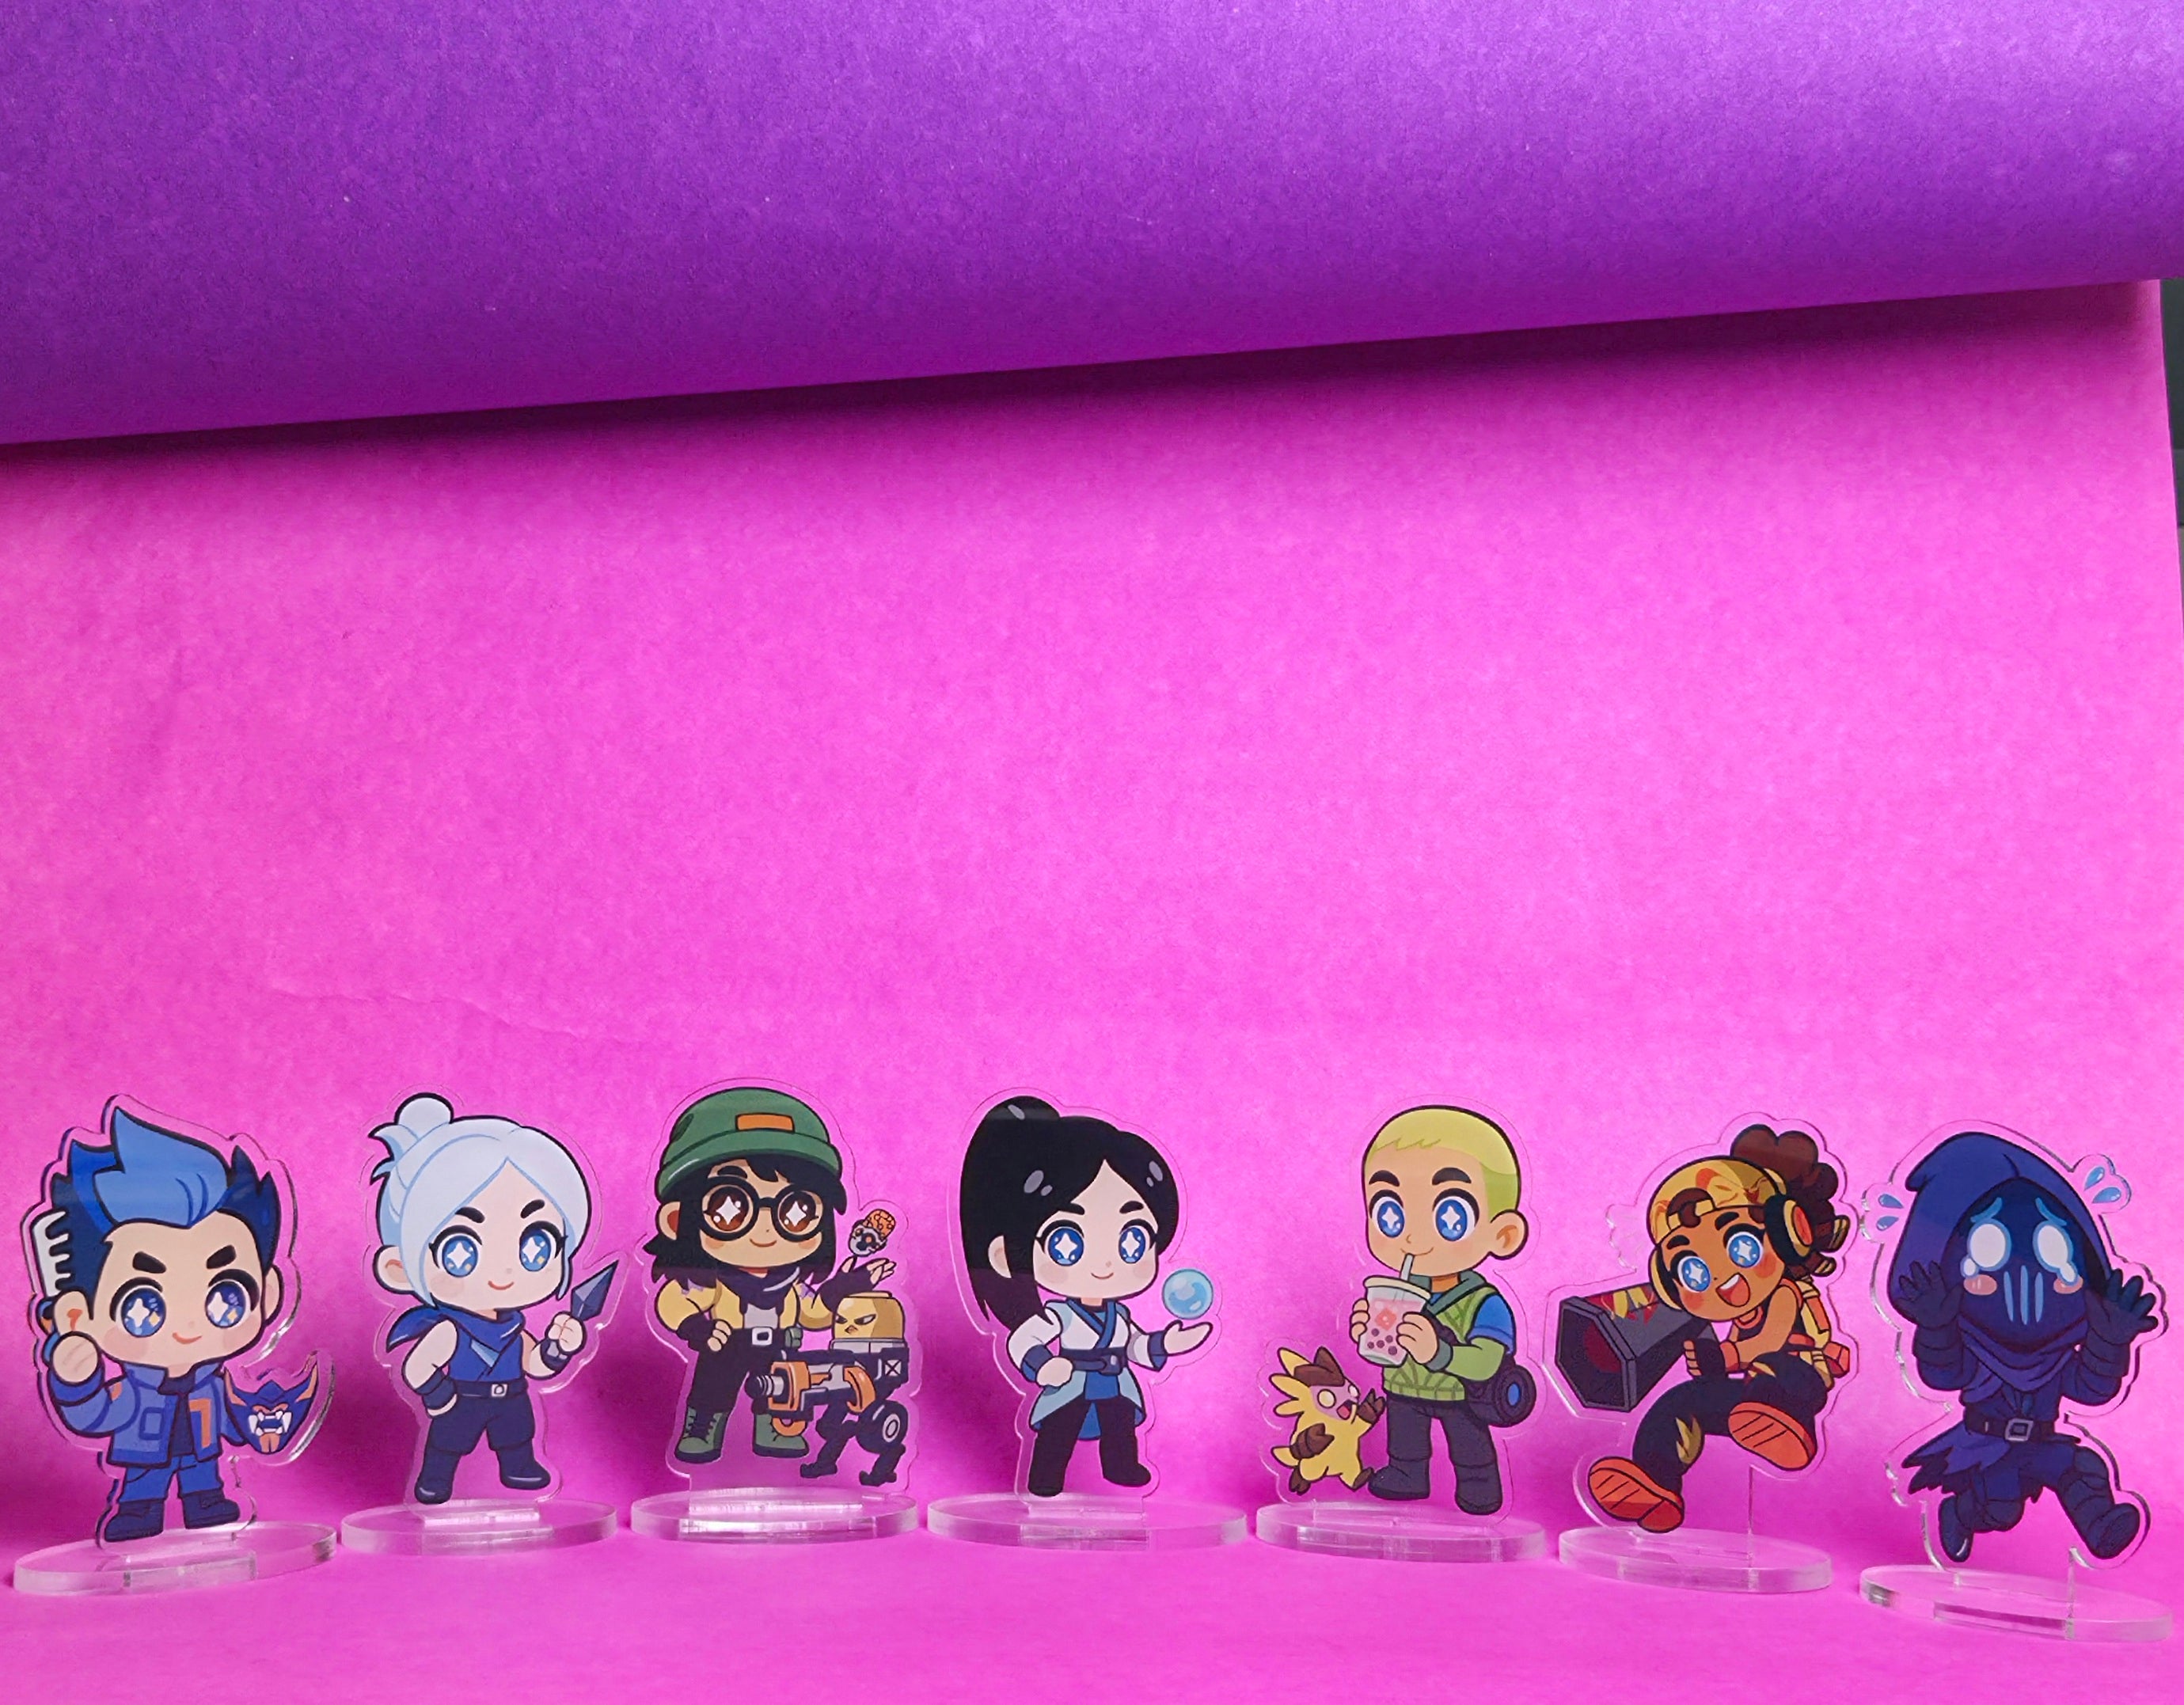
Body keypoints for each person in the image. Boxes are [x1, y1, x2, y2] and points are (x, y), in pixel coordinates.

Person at [34, 1103, 313, 1541]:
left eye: (226, 1298)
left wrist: (265, 1420)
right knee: (143, 1489)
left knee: (204, 1480)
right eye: (143, 1306)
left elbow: (235, 1420)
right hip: (142, 1458)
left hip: (206, 1459)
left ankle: (205, 1501)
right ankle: (139, 1510)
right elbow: (92, 1417)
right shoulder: (131, 1392)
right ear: (78, 1314)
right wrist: (76, 1381)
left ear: (269, 1292)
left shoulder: (215, 1386)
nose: (188, 1327)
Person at [1887, 1132, 2156, 1562]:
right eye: (1986, 1255)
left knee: (2084, 1468)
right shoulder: (1978, 1351)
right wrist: (1937, 1326)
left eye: (2058, 1259)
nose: (2027, 1278)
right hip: (1987, 1445)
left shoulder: (2055, 1358)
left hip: (2045, 1442)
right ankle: (1961, 1511)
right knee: (2001, 1507)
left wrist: (2108, 1340)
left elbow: (2092, 1390)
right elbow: (1942, 1374)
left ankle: (2104, 1528)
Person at [1587, 1125, 1850, 1533]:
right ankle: (1657, 1481)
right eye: (1693, 1272)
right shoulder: (1738, 1316)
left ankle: (1788, 1429)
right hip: (1750, 1402)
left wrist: (1724, 1357)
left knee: (1774, 1370)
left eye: (1741, 1247)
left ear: (1788, 1234)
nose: (1721, 1280)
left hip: (1797, 1377)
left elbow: (1768, 1343)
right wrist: (1712, 1368)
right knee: (1680, 1402)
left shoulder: (1784, 1294)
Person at [959, 1097, 1211, 1496]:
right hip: (1071, 1380)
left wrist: (1166, 1343)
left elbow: (1135, 1344)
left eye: (1133, 1240)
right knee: (1059, 1429)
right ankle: (1045, 1478)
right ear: (1009, 1252)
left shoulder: (1119, 1316)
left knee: (1121, 1425)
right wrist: (1043, 1366)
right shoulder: (1058, 1316)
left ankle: (1122, 1467)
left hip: (1115, 1381)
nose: (1106, 1264)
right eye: (1067, 1242)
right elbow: (1024, 1340)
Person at [648, 1087, 892, 1464]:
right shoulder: (714, 1283)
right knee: (713, 1388)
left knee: (785, 1390)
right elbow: (675, 1301)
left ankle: (778, 1427)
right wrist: (697, 1328)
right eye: (731, 1209)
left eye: (796, 1211)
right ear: (678, 1220)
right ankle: (702, 1428)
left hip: (778, 1344)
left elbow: (815, 1313)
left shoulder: (790, 1285)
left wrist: (848, 1286)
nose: (765, 1229)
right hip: (725, 1343)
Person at [371, 1094, 594, 1504]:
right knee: (448, 1442)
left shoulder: (513, 1328)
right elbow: (417, 1367)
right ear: (399, 1267)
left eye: (536, 1245)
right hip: (463, 1397)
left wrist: (559, 1348)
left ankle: (519, 1466)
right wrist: (439, 1395)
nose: (504, 1272)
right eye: (461, 1249)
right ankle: (436, 1477)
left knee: (517, 1434)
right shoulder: (450, 1331)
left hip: (512, 1394)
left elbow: (535, 1363)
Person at [1348, 1106, 1530, 1513]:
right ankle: (1407, 1473)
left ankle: (1479, 1484)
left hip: (1460, 1393)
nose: (1413, 1236)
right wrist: (1367, 1333)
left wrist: (1440, 1353)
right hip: (1403, 1389)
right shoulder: (1399, 1291)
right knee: (1405, 1437)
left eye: (1451, 1215)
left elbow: (1486, 1362)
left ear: (1502, 1234)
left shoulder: (1485, 1302)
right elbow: (1382, 1347)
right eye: (1390, 1212)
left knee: (1469, 1443)